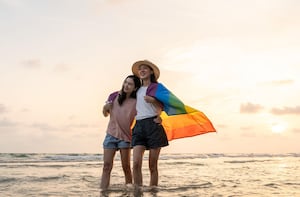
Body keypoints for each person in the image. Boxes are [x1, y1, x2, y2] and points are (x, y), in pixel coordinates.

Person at [131, 60, 169, 187]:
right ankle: (138, 192)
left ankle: (153, 192)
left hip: (153, 125)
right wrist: (108, 102)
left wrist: (153, 100)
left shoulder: (157, 87)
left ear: (151, 71)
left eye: (145, 68)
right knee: (136, 164)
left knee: (152, 165)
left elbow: (164, 105)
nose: (142, 70)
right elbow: (121, 94)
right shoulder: (135, 89)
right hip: (139, 126)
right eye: (140, 69)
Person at [100, 74, 141, 189]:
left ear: (135, 88)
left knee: (126, 167)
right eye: (125, 82)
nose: (126, 85)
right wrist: (105, 107)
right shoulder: (114, 95)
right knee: (106, 166)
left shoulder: (137, 102)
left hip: (126, 137)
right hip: (110, 135)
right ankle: (103, 191)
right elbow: (105, 114)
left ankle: (129, 191)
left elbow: (142, 116)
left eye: (130, 84)